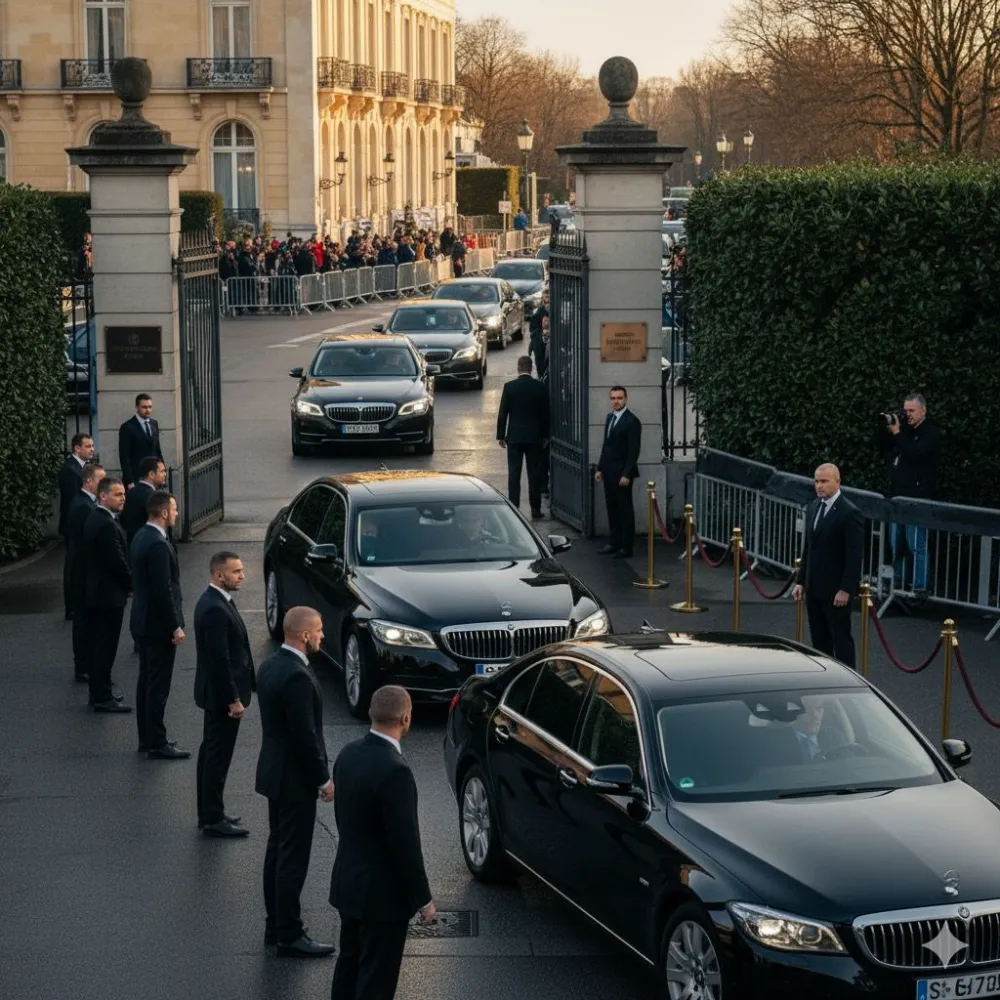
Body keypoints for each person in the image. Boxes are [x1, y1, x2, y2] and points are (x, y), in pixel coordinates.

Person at [329, 685, 435, 1000]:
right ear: (406, 717)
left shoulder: (347, 754)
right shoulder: (396, 771)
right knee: (377, 981)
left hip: (348, 884)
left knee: (348, 970)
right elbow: (405, 845)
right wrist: (423, 899)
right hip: (382, 899)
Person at [255, 607, 335, 958]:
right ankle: (289, 933)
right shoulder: (298, 676)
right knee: (292, 857)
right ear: (303, 635)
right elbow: (306, 736)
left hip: (274, 773)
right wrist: (323, 779)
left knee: (277, 851)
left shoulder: (271, 665)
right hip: (294, 780)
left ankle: (275, 925)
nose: (322, 636)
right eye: (318, 630)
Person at [194, 552, 255, 838]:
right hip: (222, 698)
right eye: (236, 572)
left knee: (211, 754)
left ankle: (209, 812)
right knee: (216, 757)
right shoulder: (215, 609)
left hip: (217, 695)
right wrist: (233, 698)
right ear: (219, 576)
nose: (242, 576)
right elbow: (220, 660)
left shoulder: (216, 602)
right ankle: (213, 818)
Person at [130, 490, 189, 759]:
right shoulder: (156, 544)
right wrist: (174, 626)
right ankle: (156, 740)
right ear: (163, 512)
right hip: (157, 626)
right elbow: (162, 590)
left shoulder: (142, 535)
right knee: (157, 686)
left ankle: (147, 738)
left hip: (143, 622)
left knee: (146, 682)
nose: (176, 513)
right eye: (174, 509)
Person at [792, 464, 864, 669]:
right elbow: (809, 547)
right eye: (816, 481)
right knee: (819, 641)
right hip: (814, 589)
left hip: (835, 593)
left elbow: (854, 556)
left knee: (841, 640)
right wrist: (801, 581)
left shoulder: (850, 513)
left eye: (824, 481)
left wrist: (845, 589)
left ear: (837, 482)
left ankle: (848, 683)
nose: (819, 486)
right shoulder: (813, 506)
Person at [878, 393, 942, 594]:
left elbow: (915, 453)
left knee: (916, 544)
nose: (908, 415)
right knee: (895, 542)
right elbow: (883, 447)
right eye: (905, 411)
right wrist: (886, 428)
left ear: (923, 410)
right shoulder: (903, 431)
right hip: (898, 498)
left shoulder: (930, 433)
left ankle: (919, 586)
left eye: (912, 411)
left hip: (917, 499)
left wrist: (897, 434)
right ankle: (897, 583)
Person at [82, 477, 132, 713]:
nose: (123, 498)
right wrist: (131, 585)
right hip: (107, 596)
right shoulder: (105, 524)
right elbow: (117, 562)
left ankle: (98, 692)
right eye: (117, 494)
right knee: (105, 646)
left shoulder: (100, 518)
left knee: (99, 645)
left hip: (100, 593)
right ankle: (102, 696)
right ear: (103, 496)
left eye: (123, 494)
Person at [496, 356, 549, 519]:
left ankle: (514, 508)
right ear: (531, 368)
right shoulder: (539, 387)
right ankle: (535, 509)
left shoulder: (510, 387)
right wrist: (545, 435)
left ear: (518, 368)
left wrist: (501, 435)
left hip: (514, 437)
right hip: (534, 437)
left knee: (514, 474)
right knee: (534, 474)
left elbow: (503, 413)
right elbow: (545, 414)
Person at [67, 461, 104, 683]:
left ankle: (86, 664)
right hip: (82, 575)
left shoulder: (87, 503)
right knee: (83, 623)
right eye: (100, 480)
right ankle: (83, 666)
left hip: (85, 574)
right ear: (89, 481)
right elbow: (85, 542)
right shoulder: (82, 506)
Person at [595, 386, 641, 559]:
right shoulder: (609, 417)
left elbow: (634, 451)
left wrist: (627, 474)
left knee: (625, 510)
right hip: (609, 471)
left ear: (626, 399)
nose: (616, 401)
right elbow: (606, 446)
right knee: (612, 508)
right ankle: (614, 542)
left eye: (619, 398)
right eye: (613, 398)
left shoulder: (632, 421)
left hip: (622, 474)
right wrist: (600, 468)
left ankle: (627, 546)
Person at [59, 433, 95, 619]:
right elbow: (71, 502)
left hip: (80, 524)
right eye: (88, 446)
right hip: (74, 527)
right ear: (76, 448)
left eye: (92, 446)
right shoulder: (70, 470)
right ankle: (71, 606)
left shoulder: (82, 468)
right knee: (72, 566)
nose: (92, 449)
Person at [118, 393, 164, 488]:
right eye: (144, 407)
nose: (147, 410)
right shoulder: (127, 427)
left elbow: (157, 450)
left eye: (150, 407)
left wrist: (162, 472)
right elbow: (124, 457)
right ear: (137, 407)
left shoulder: (154, 424)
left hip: (154, 476)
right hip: (137, 478)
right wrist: (130, 481)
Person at [121, 456, 168, 546]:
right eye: (162, 471)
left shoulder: (131, 492)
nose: (165, 474)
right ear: (151, 474)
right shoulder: (153, 498)